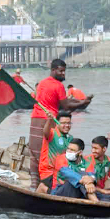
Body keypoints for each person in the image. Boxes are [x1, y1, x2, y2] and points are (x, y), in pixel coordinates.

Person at [28, 60, 82, 189]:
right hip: (49, 120)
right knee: (47, 152)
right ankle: (47, 183)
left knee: (34, 152)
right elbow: (65, 106)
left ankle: (34, 184)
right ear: (53, 70)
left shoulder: (42, 83)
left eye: (64, 71)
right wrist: (82, 103)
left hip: (35, 119)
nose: (63, 74)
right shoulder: (58, 86)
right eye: (61, 71)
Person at [49, 138, 99, 202]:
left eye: (72, 150)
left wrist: (90, 181)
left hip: (78, 192)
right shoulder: (61, 158)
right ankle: (95, 201)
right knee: (82, 174)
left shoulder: (87, 163)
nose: (69, 151)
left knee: (86, 177)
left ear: (80, 152)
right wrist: (85, 180)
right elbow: (68, 173)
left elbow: (93, 176)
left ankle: (97, 202)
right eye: (68, 149)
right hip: (60, 192)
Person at [36, 111, 73, 192]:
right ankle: (42, 188)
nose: (66, 125)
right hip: (48, 172)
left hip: (62, 172)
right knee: (57, 193)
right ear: (57, 123)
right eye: (63, 123)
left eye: (69, 123)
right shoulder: (52, 133)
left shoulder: (70, 138)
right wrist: (49, 120)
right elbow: (45, 132)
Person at [89, 136, 110, 201]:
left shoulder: (109, 161)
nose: (93, 151)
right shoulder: (87, 160)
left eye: (96, 148)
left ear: (104, 149)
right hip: (92, 190)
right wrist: (104, 191)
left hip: (103, 188)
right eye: (92, 148)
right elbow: (87, 183)